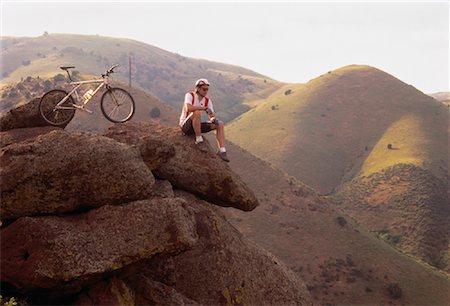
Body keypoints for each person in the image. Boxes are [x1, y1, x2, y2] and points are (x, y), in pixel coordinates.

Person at [179, 78, 230, 162]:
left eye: (207, 89)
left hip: (197, 125)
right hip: (186, 125)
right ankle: (199, 140)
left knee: (220, 124)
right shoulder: (190, 95)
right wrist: (203, 108)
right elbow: (188, 108)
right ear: (198, 89)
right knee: (197, 112)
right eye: (204, 89)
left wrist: (213, 119)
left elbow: (211, 115)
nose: (206, 91)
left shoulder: (207, 101)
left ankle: (222, 151)